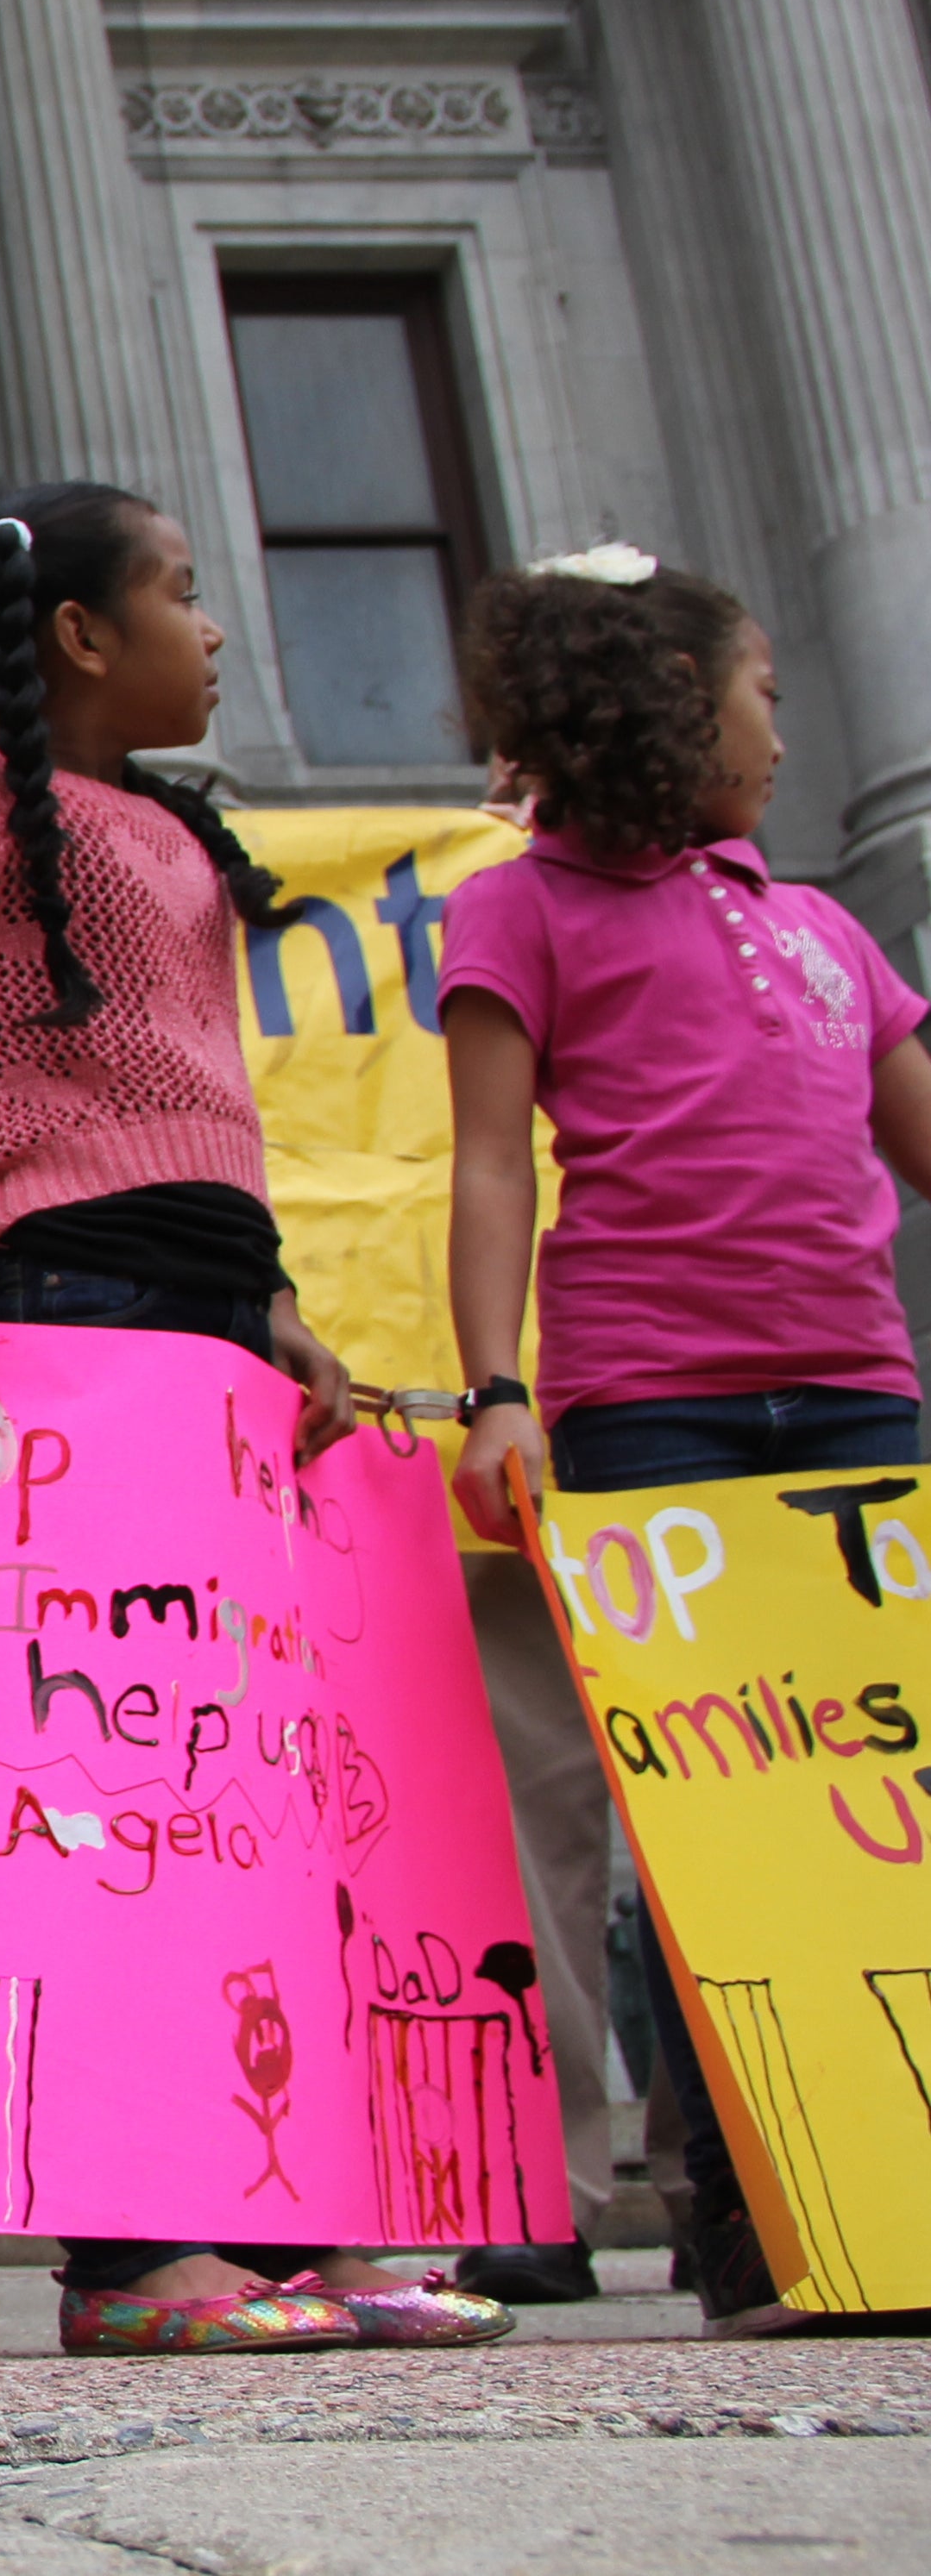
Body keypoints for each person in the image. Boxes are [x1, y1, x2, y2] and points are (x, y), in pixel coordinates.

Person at [0, 483, 509, 2359]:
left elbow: (203, 1125)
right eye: (184, 593)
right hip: (67, 1326)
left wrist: (285, 1321)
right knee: (116, 1794)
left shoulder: (176, 836)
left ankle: (311, 2217)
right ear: (83, 634)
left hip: (221, 1345)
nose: (217, 627)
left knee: (280, 1794)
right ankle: (129, 2253)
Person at [438, 544, 931, 2337]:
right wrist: (498, 1390)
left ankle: (886, 2180)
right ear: (665, 702)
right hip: (653, 1409)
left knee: (877, 1818)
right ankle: (727, 2212)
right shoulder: (522, 912)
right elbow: (496, 1161)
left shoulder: (829, 929)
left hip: (864, 1402)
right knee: (698, 1833)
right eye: (764, 695)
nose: (782, 735)